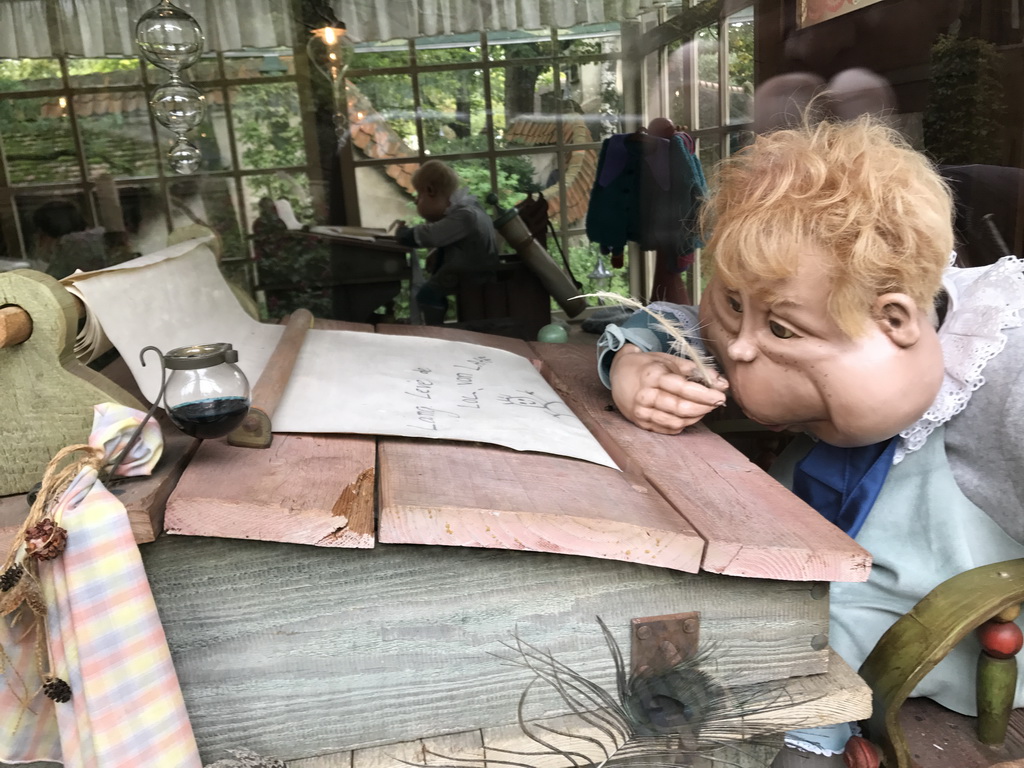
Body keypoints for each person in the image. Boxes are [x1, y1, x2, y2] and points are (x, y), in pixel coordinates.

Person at [596, 116, 1024, 765]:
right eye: (732, 301)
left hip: (907, 637)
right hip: (795, 581)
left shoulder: (1003, 363)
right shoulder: (793, 293)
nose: (738, 347)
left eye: (782, 331)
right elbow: (676, 322)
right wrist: (635, 364)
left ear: (897, 320)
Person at [394, 160, 499, 325]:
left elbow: (432, 235)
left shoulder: (464, 215)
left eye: (419, 196)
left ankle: (435, 330)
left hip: (471, 272)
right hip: (472, 268)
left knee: (426, 295)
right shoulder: (470, 210)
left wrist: (405, 234)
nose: (416, 201)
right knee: (432, 290)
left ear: (431, 190)